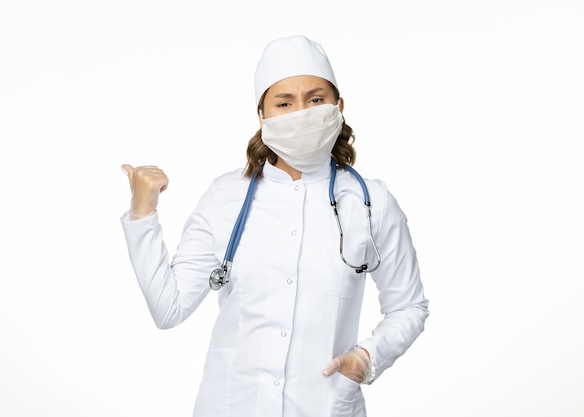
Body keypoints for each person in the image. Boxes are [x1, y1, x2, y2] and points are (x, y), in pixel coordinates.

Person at [120, 35, 429, 417]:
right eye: (284, 103)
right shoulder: (225, 196)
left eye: (315, 99)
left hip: (325, 406)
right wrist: (142, 213)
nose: (301, 113)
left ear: (339, 106)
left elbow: (409, 306)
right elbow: (169, 309)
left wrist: (367, 358)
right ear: (263, 116)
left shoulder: (372, 202)